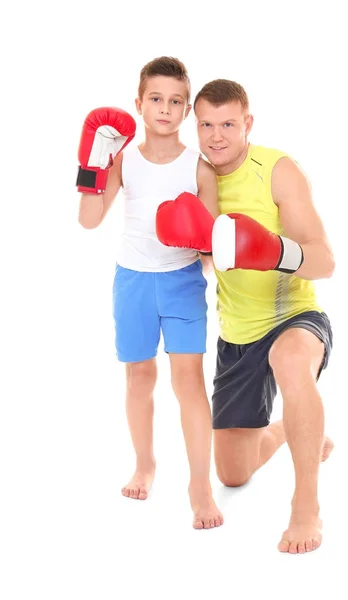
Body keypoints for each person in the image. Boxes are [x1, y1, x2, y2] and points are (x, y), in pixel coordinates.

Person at [156, 79, 335, 552]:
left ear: (247, 123)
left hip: (293, 315)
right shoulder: (195, 177)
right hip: (236, 337)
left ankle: (306, 506)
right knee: (232, 474)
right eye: (208, 126)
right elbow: (207, 258)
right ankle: (294, 433)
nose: (217, 136)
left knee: (293, 361)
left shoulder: (277, 170)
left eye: (229, 125)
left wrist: (272, 250)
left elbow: (326, 261)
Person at [77, 57, 223, 530]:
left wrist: (197, 239)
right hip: (133, 282)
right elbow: (89, 218)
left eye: (175, 101)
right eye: (156, 99)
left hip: (181, 283)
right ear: (138, 104)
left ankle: (200, 485)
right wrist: (92, 166)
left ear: (186, 110)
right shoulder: (126, 160)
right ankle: (145, 464)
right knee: (139, 378)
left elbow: (212, 250)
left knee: (189, 383)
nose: (165, 108)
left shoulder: (200, 169)